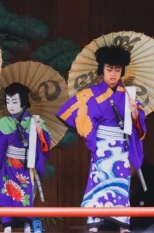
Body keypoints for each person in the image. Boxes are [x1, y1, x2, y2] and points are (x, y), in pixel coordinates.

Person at [56, 46, 146, 233]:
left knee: (121, 184)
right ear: (102, 69)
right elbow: (73, 113)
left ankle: (122, 224)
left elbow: (139, 130)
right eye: (109, 69)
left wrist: (135, 114)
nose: (113, 74)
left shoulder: (129, 95)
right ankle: (95, 223)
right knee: (99, 183)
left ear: (122, 70)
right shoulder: (91, 93)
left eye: (117, 70)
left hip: (121, 149)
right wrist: (90, 123)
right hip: (102, 147)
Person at [0, 82, 50, 233]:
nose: (10, 106)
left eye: (14, 102)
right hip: (10, 168)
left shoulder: (35, 122)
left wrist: (38, 131)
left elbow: (45, 146)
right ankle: (8, 227)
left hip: (28, 168)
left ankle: (27, 227)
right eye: (8, 102)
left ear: (24, 102)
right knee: (8, 197)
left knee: (26, 198)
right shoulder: (3, 123)